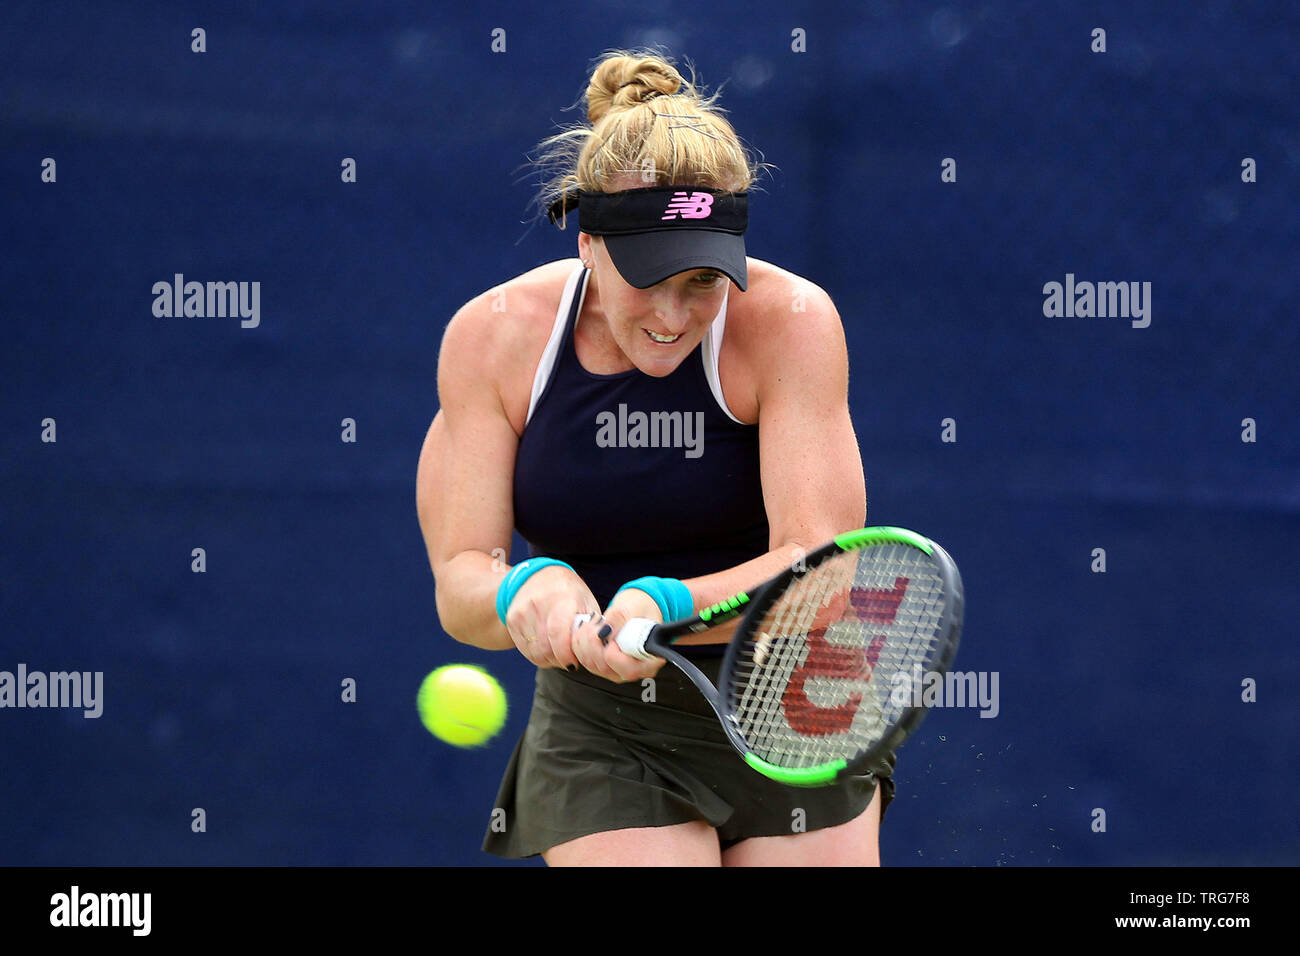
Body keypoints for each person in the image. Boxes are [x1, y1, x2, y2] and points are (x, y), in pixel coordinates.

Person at [416, 49, 894, 866]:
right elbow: (461, 580)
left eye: (704, 281)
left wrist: (671, 603)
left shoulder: (793, 323)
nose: (676, 316)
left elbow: (822, 572)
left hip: (797, 694)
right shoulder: (493, 337)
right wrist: (519, 587)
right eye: (649, 278)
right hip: (607, 720)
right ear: (588, 240)